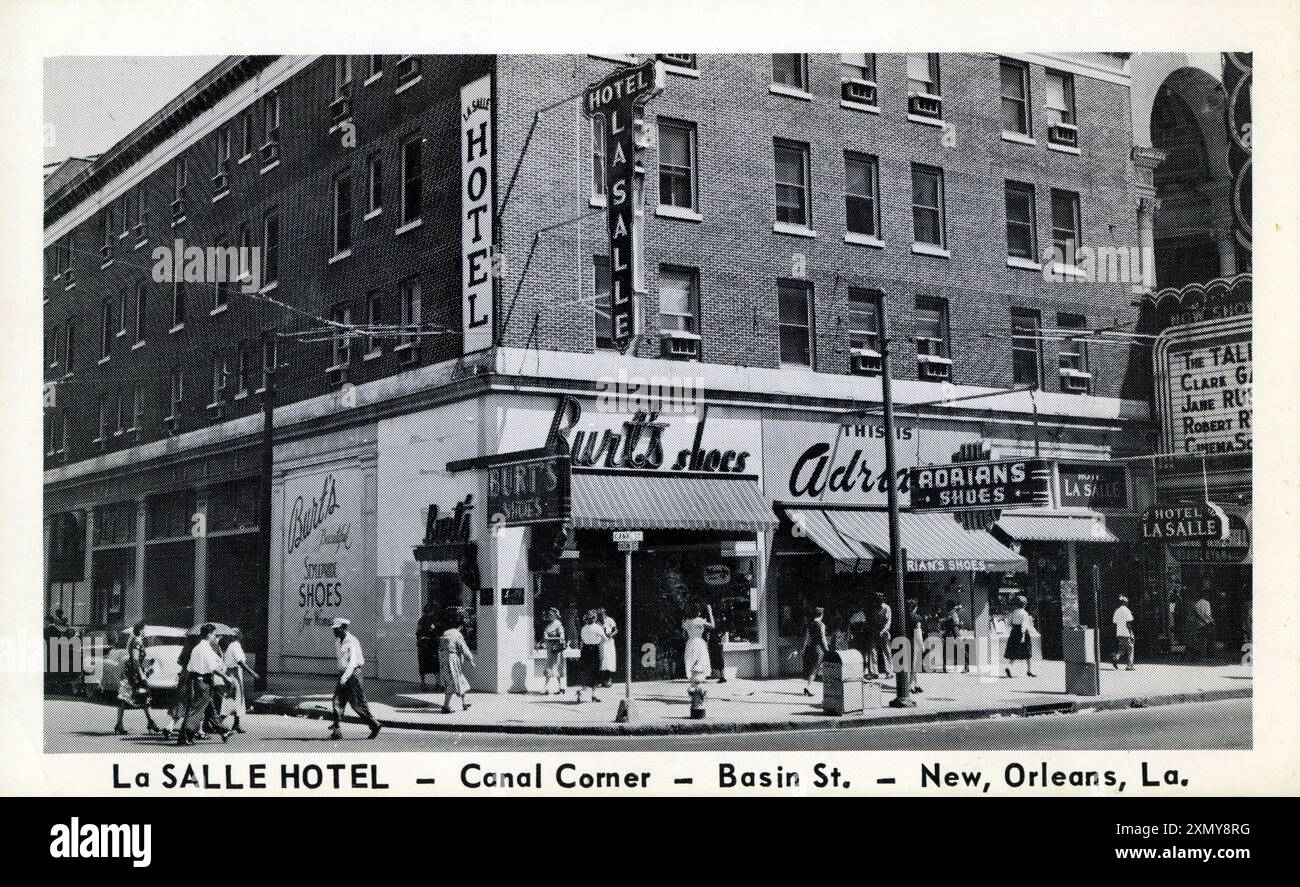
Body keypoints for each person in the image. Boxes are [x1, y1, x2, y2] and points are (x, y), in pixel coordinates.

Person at [176, 625, 230, 745]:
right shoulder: (204, 648)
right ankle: (184, 736)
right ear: (209, 634)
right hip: (203, 682)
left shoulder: (198, 647)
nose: (214, 637)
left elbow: (192, 666)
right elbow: (213, 667)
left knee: (210, 709)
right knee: (195, 711)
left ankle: (223, 730)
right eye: (214, 635)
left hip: (197, 681)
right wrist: (225, 677)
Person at [329, 617, 381, 740]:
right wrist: (341, 675)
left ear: (343, 628)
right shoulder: (338, 642)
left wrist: (344, 678)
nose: (334, 632)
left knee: (357, 703)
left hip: (353, 674)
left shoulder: (351, 642)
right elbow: (341, 662)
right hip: (344, 674)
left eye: (336, 629)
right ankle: (337, 730)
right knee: (337, 700)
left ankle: (374, 724)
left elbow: (352, 664)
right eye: (334, 629)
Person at [113, 622, 162, 736]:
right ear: (140, 630)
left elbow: (137, 660)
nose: (146, 632)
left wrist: (148, 663)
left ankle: (150, 722)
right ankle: (120, 724)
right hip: (132, 674)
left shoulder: (137, 640)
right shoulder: (136, 641)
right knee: (125, 698)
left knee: (142, 697)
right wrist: (142, 674)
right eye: (145, 629)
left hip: (133, 672)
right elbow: (134, 660)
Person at [222, 628, 259, 733]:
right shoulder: (236, 645)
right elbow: (240, 662)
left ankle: (236, 723)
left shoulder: (231, 645)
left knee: (237, 699)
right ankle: (218, 722)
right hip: (234, 674)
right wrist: (252, 673)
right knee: (233, 698)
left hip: (232, 673)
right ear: (239, 636)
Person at [439, 613, 475, 713]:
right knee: (453, 683)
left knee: (459, 681)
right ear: (460, 626)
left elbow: (440, 649)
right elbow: (464, 648)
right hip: (452, 662)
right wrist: (470, 660)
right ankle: (445, 707)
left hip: (444, 661)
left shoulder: (445, 633)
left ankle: (464, 703)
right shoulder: (457, 635)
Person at [680, 604, 714, 692]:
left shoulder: (686, 622)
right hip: (699, 643)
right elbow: (712, 626)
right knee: (700, 664)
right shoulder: (700, 620)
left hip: (690, 643)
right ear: (698, 612)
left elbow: (684, 635)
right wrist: (710, 612)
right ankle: (699, 689)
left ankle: (693, 687)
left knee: (691, 664)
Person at [577, 611, 607, 703]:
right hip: (594, 649)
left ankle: (583, 691)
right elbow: (605, 638)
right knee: (595, 671)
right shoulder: (597, 627)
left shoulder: (584, 628)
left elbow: (582, 641)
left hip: (585, 650)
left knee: (586, 671)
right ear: (595, 618)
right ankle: (594, 694)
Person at [1004, 595, 1036, 678]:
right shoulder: (1024, 613)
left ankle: (1008, 666)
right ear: (1024, 604)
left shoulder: (1014, 612)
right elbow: (1024, 626)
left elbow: (1008, 623)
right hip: (1022, 633)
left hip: (1014, 632)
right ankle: (1029, 671)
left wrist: (1014, 628)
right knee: (1028, 652)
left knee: (1014, 651)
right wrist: (1022, 636)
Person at [800, 607, 829, 697]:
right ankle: (808, 688)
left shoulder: (810, 624)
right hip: (819, 649)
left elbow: (807, 639)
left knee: (813, 668)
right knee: (815, 669)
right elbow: (823, 638)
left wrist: (803, 650)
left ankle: (808, 687)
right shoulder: (821, 625)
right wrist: (827, 650)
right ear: (822, 615)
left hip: (811, 648)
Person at [541, 607, 567, 695]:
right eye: (549, 615)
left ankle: (548, 687)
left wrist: (550, 637)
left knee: (555, 667)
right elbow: (545, 636)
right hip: (549, 650)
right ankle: (559, 687)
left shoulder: (558, 624)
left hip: (556, 650)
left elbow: (562, 637)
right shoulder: (549, 625)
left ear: (555, 616)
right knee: (551, 667)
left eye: (551, 615)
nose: (549, 616)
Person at [415, 600, 440, 693]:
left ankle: (423, 683)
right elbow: (435, 632)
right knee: (435, 665)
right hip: (430, 645)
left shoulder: (421, 620)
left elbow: (417, 632)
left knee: (423, 665)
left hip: (424, 645)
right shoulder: (432, 620)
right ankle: (437, 683)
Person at [942, 600, 969, 673]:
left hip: (955, 633)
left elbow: (956, 622)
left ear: (950, 606)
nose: (946, 607)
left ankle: (966, 665)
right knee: (946, 649)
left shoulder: (953, 613)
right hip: (950, 633)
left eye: (948, 606)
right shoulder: (950, 613)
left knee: (960, 649)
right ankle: (944, 666)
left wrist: (947, 621)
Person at [905, 599, 926, 692]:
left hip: (905, 641)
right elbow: (918, 632)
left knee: (912, 663)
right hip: (914, 642)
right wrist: (922, 644)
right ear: (915, 607)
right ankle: (910, 685)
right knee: (915, 664)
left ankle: (915, 683)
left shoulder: (904, 617)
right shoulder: (917, 617)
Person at [1111, 595, 1136, 670]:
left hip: (1119, 633)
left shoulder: (1117, 610)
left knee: (1122, 648)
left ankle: (1116, 657)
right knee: (1130, 648)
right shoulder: (1127, 610)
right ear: (1125, 603)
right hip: (1126, 633)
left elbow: (1114, 622)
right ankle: (1129, 666)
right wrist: (1131, 633)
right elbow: (1128, 623)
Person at [1189, 592, 1215, 661]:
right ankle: (1206, 655)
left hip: (1198, 624)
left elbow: (1196, 614)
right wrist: (1212, 621)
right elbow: (1207, 614)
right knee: (1207, 640)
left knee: (1201, 640)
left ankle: (1201, 654)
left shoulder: (1197, 603)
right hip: (1206, 624)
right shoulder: (1207, 603)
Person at [871, 595, 893, 678]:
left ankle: (889, 671)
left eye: (880, 600)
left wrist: (883, 631)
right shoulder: (874, 608)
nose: (878, 602)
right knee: (873, 652)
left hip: (884, 632)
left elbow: (888, 622)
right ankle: (875, 672)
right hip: (875, 631)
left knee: (886, 652)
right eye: (877, 600)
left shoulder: (886, 608)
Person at [706, 604, 726, 683]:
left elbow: (723, 631)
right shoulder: (717, 619)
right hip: (715, 640)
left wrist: (719, 637)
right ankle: (720, 675)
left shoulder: (714, 620)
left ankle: (721, 676)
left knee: (717, 658)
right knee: (716, 658)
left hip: (715, 640)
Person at [598, 607, 618, 688]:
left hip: (609, 642)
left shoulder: (610, 620)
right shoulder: (596, 622)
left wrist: (610, 635)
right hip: (601, 642)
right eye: (599, 615)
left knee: (609, 660)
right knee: (602, 660)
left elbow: (616, 630)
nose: (601, 616)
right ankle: (601, 680)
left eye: (602, 614)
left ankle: (608, 679)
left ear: (605, 614)